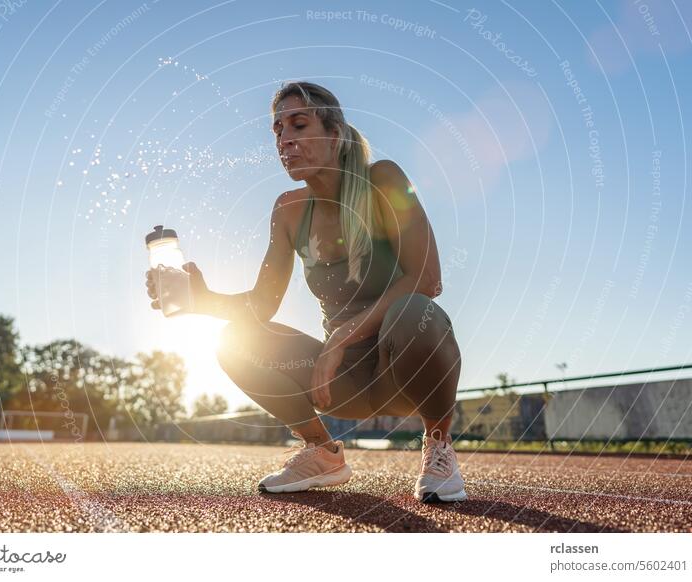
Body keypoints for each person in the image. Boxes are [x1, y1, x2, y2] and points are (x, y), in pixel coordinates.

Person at [145, 81, 466, 503]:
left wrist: (340, 337)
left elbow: (428, 279)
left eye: (298, 124)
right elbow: (260, 307)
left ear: (334, 133)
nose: (285, 140)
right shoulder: (288, 210)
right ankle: (321, 451)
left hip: (404, 371)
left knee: (413, 310)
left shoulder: (383, 180)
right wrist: (200, 299)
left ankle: (438, 445)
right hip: (340, 383)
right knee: (235, 339)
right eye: (277, 130)